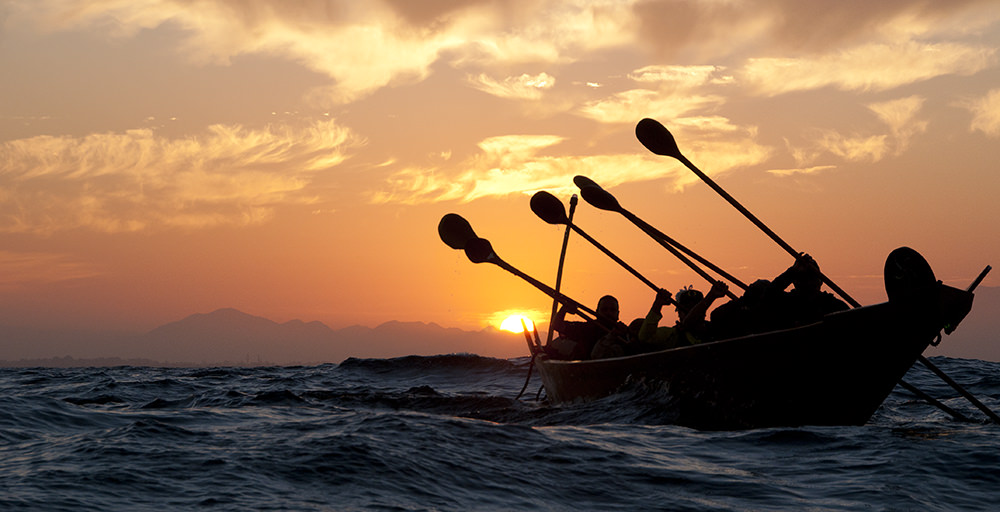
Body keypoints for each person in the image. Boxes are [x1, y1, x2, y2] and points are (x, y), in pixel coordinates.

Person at [638, 281, 728, 351]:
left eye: (695, 308)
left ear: (704, 312)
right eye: (686, 309)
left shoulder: (716, 329)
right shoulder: (673, 335)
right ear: (678, 313)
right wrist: (657, 305)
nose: (692, 313)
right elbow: (645, 337)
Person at [765, 253, 849, 329]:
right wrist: (792, 271)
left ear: (821, 281)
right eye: (803, 278)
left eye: (811, 277)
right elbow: (767, 296)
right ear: (794, 282)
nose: (808, 283)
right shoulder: (785, 304)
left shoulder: (836, 307)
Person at [546, 295, 627, 360]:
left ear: (618, 314)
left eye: (612, 310)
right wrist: (564, 309)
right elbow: (557, 325)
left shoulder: (624, 332)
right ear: (596, 312)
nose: (608, 313)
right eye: (604, 310)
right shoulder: (586, 328)